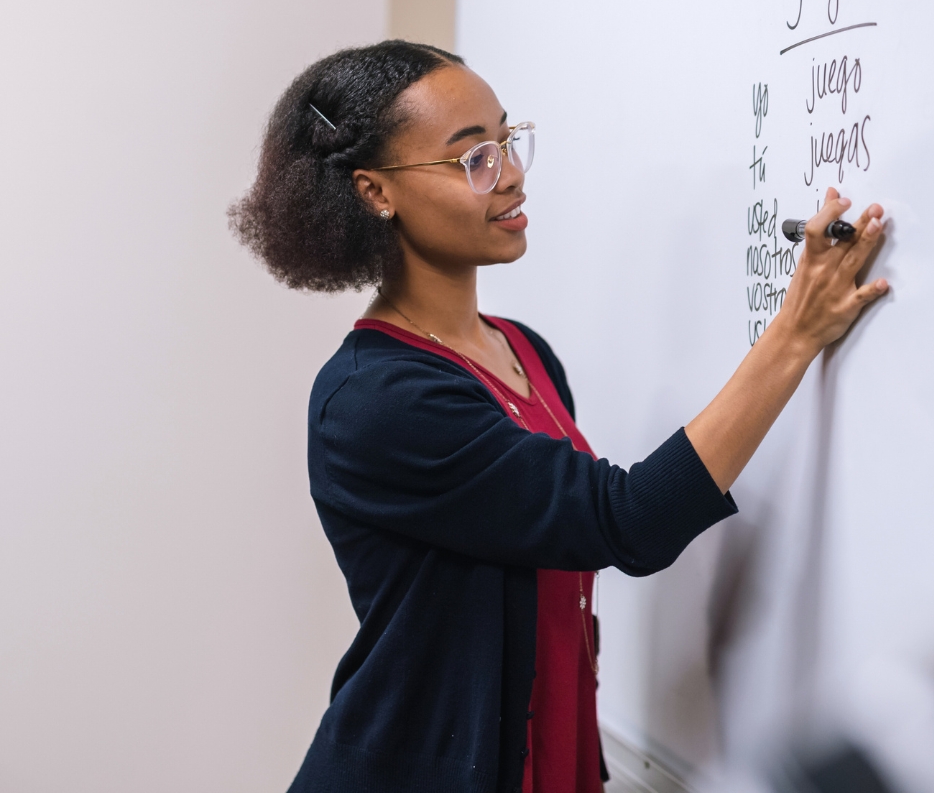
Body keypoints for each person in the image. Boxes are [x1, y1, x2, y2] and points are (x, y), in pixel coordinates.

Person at [229, 40, 888, 793]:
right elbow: (628, 521)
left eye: (507, 141)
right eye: (471, 158)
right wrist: (794, 335)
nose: (508, 174)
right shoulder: (376, 402)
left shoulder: (524, 352)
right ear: (376, 192)